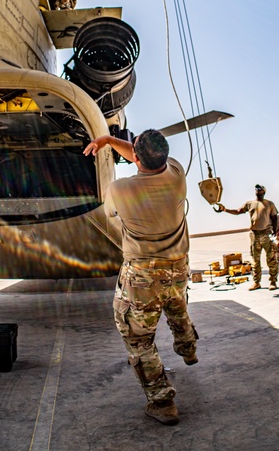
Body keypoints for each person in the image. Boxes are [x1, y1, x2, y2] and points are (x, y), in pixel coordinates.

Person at [83, 129, 197, 426]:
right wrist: (108, 140)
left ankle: (162, 401)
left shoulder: (120, 190)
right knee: (176, 304)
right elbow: (140, 156)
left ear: (135, 157)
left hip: (143, 275)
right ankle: (188, 347)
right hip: (177, 267)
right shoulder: (176, 173)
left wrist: (106, 142)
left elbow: (109, 214)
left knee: (136, 335)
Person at [217, 184, 279, 290]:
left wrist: (275, 232)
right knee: (255, 261)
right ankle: (256, 282)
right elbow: (238, 211)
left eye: (260, 190)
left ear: (264, 192)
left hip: (266, 233)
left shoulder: (269, 204)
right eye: (256, 190)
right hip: (255, 235)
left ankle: (273, 281)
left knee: (271, 259)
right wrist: (224, 209)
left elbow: (274, 218)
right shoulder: (250, 203)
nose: (258, 192)